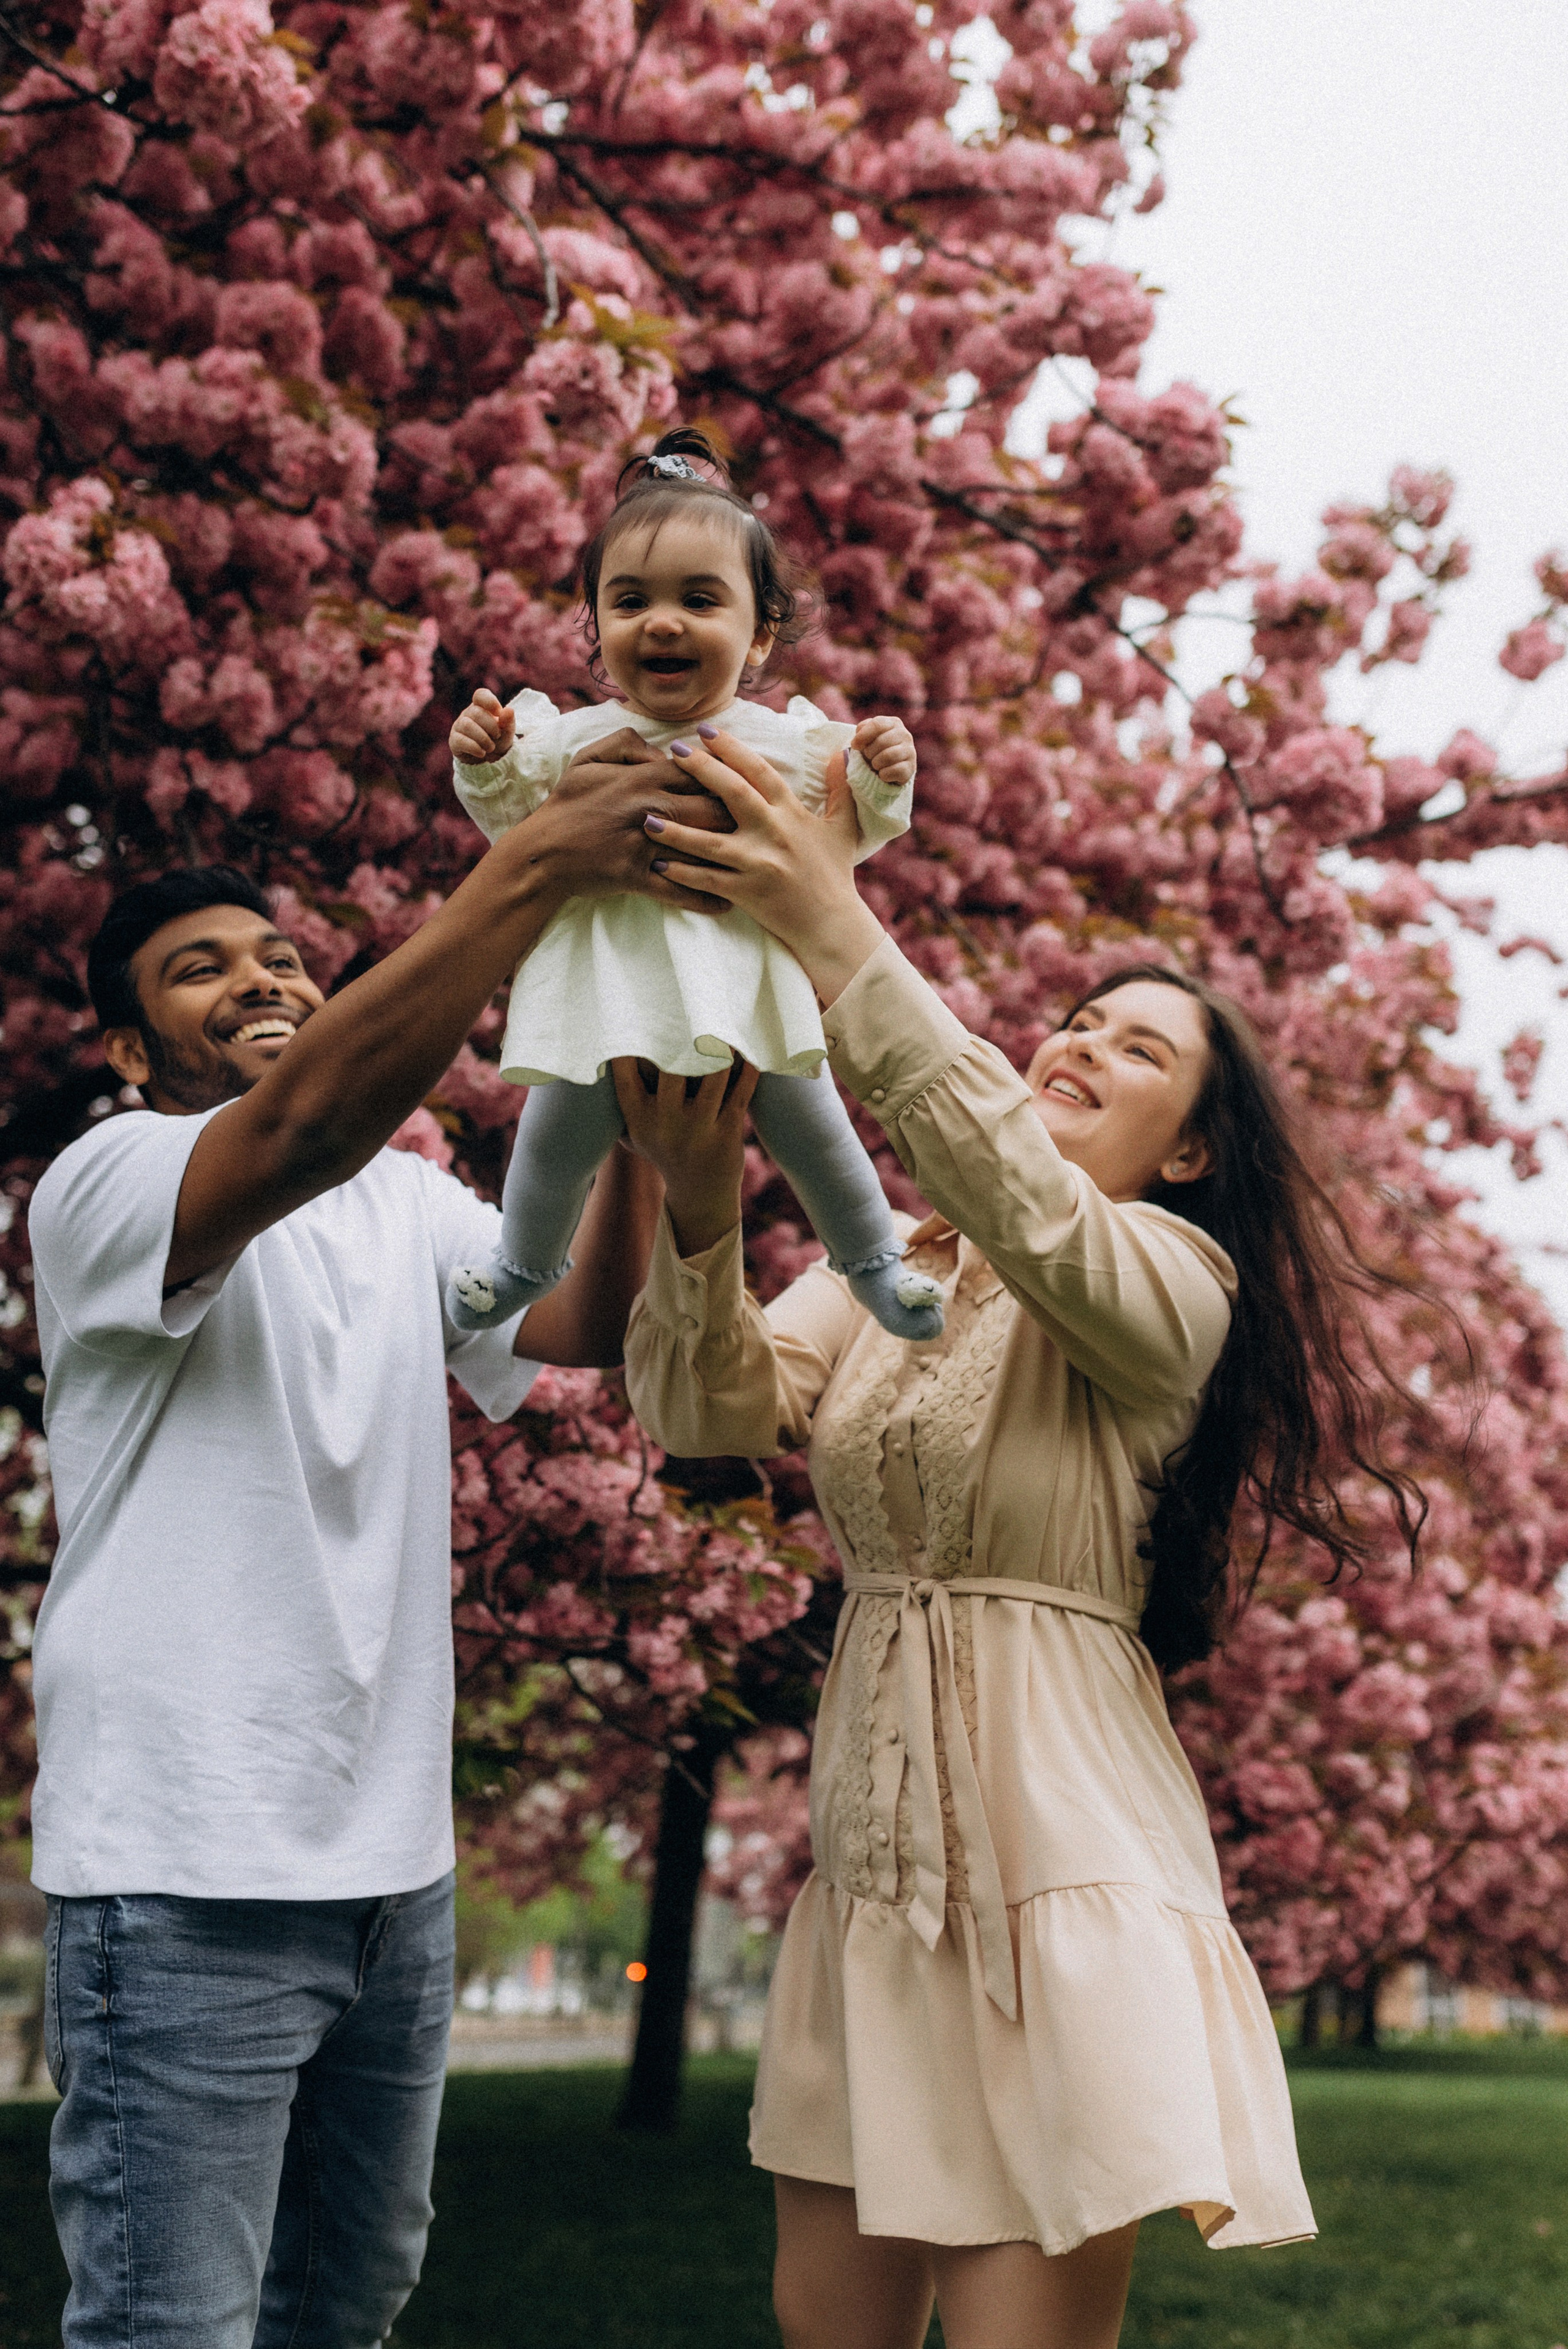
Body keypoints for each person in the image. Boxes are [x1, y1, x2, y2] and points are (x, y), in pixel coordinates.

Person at [616, 730, 1436, 2349]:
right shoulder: (895, 1266)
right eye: (1074, 1019)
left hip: (1069, 1867)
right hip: (875, 1870)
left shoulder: (1170, 1287)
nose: (1076, 1044)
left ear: (1191, 1152)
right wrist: (698, 1209)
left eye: (1134, 1052)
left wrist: (838, 921)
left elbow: (1015, 1188)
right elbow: (711, 1410)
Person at [28, 727, 728, 2349]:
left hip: (391, 1880)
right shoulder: (110, 1181)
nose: (258, 980)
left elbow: (578, 1318)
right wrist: (539, 863)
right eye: (199, 973)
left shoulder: (401, 1203)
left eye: (279, 957)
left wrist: (631, 1113)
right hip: (182, 1875)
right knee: (169, 2329)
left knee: (348, 2304)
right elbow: (296, 1132)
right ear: (132, 1051)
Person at [443, 425, 945, 1345]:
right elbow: (514, 816)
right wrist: (486, 759)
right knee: (550, 1142)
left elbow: (849, 830)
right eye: (630, 601)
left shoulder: (786, 741)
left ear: (758, 637)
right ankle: (525, 1260)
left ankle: (875, 1259)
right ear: (597, 629)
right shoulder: (575, 737)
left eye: (699, 600)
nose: (662, 621)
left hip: (746, 989)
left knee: (817, 1133)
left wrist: (883, 768)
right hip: (607, 994)